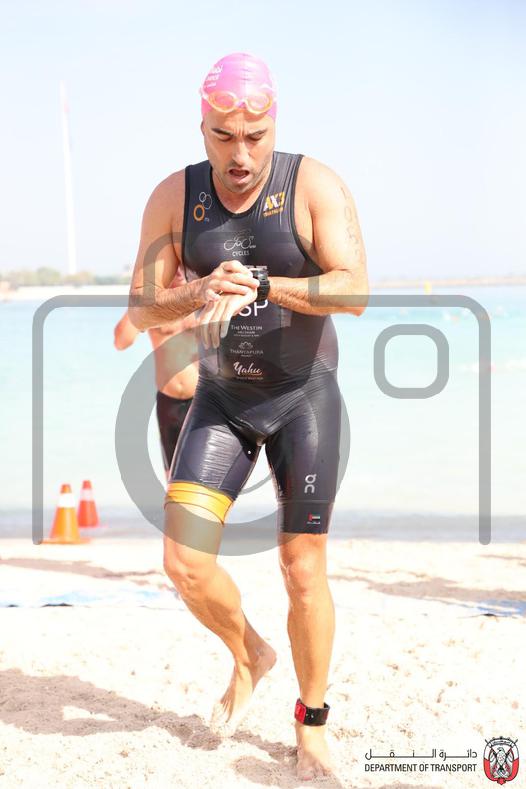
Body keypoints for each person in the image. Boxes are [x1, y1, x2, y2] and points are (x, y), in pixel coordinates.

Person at [128, 52, 368, 781]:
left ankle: (312, 722)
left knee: (302, 568)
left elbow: (355, 290)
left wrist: (263, 283)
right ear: (202, 128)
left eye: (255, 137)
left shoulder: (312, 184)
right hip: (223, 401)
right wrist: (199, 290)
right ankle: (250, 654)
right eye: (223, 136)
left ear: (274, 126)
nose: (240, 155)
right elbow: (142, 306)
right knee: (185, 563)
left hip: (303, 397)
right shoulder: (174, 197)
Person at [114, 268, 199, 477]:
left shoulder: (202, 297)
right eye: (173, 264)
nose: (177, 270)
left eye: (181, 264)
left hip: (203, 400)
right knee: (173, 476)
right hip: (168, 402)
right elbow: (121, 341)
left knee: (206, 474)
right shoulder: (153, 305)